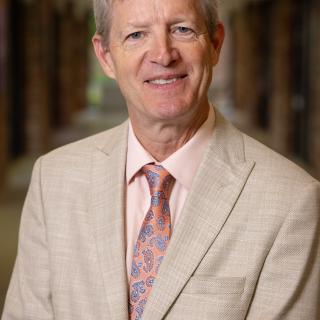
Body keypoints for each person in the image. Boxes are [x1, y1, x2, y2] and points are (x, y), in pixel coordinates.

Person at [2, 0, 320, 319]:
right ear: (105, 56)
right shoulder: (53, 180)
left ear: (214, 44)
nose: (163, 55)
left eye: (182, 30)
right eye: (137, 35)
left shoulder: (291, 200)